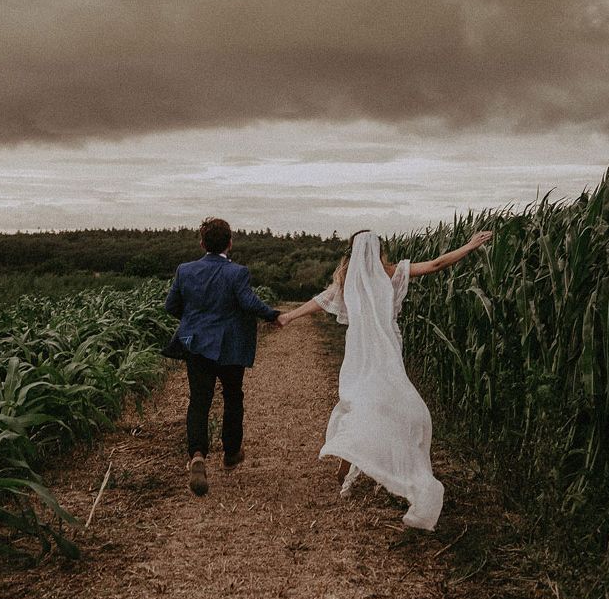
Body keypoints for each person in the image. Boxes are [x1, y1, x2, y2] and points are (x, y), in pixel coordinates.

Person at [277, 228, 492, 529]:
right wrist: (468, 246)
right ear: (381, 250)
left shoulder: (347, 280)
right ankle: (361, 461)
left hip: (359, 351)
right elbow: (436, 264)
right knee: (391, 402)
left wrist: (289, 316)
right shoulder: (393, 272)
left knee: (360, 400)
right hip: (387, 348)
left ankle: (347, 461)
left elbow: (318, 301)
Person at [164, 217, 282, 496]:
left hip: (196, 345)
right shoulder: (237, 272)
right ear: (230, 243)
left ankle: (197, 455)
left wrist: (195, 321)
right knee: (232, 396)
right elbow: (248, 301)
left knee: (199, 401)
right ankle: (230, 453)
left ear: (202, 243)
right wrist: (273, 315)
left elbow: (171, 306)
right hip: (229, 347)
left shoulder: (185, 270)